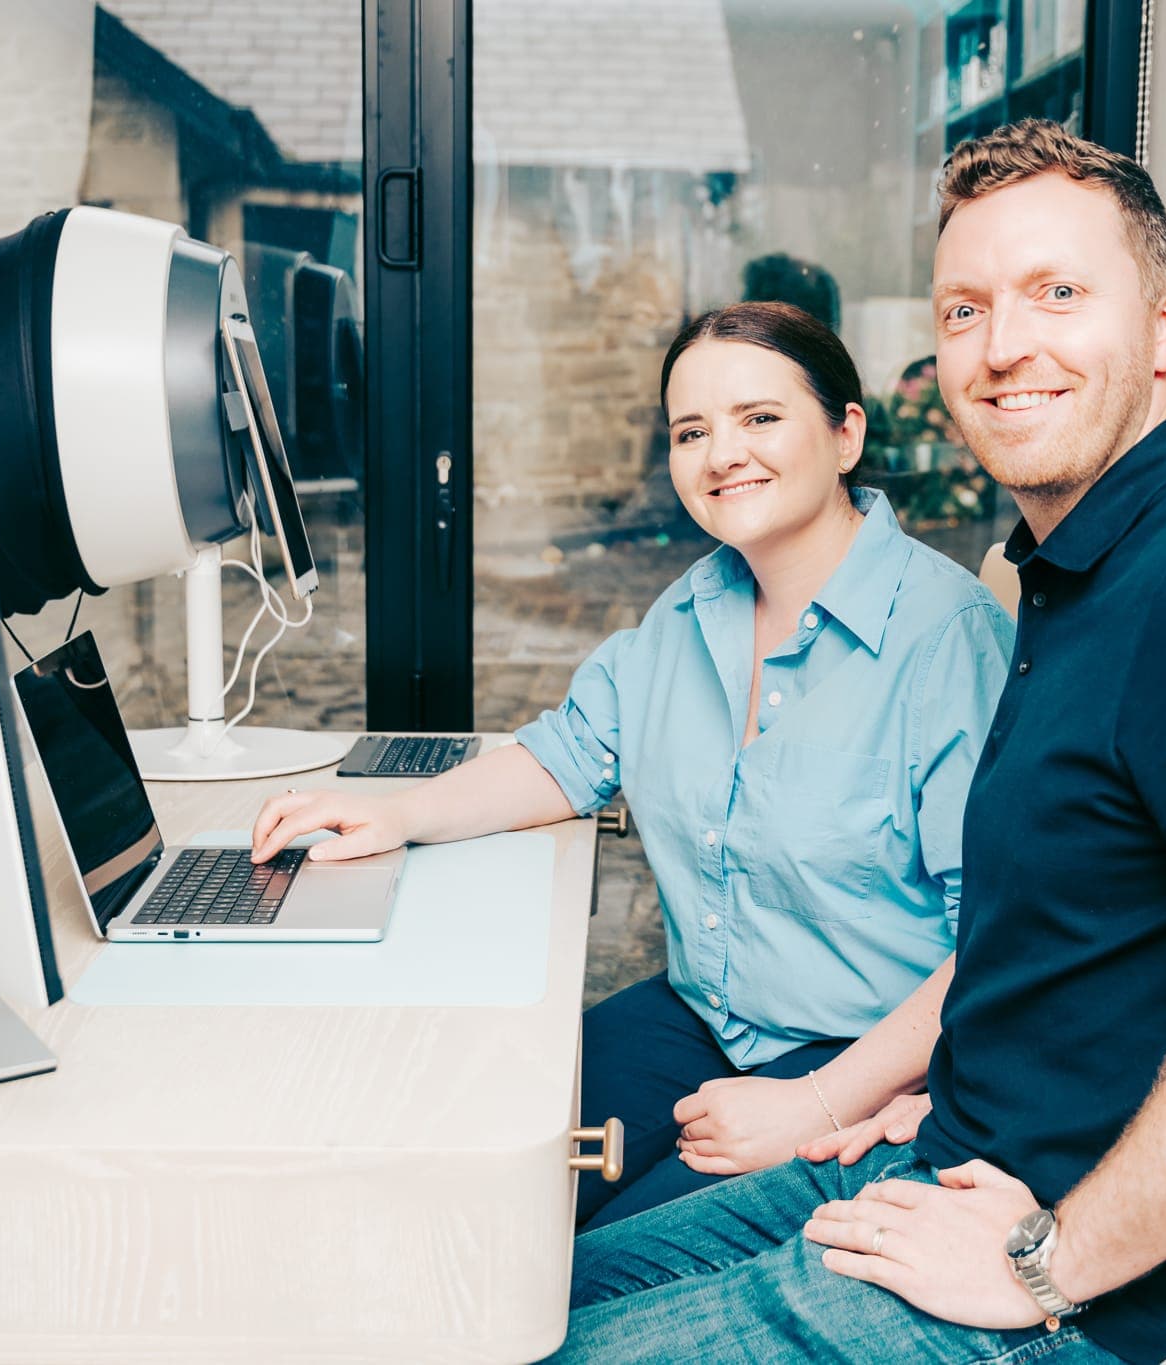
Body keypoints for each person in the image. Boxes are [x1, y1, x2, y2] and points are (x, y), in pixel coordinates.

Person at [551, 119, 1166, 1365]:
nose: (1004, 349)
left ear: (1165, 328)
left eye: (1058, 294)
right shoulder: (1077, 574)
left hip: (1081, 1283)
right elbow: (1057, 938)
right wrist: (887, 1096)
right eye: (963, 311)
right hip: (945, 1161)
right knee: (509, 1295)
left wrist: (1048, 1264)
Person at [252, 300, 1014, 1231]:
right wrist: (396, 814)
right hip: (705, 1016)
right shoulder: (690, 612)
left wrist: (821, 1100)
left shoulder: (948, 639)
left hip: (876, 1059)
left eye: (760, 417)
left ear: (846, 432)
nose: (722, 453)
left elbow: (1001, 937)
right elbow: (569, 756)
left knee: (570, 1274)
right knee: (458, 1172)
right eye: (692, 431)